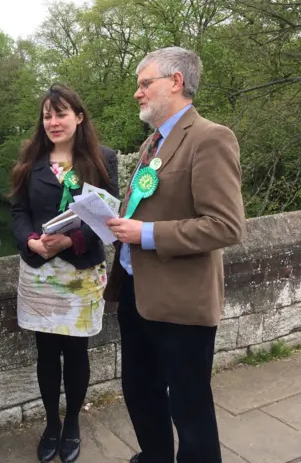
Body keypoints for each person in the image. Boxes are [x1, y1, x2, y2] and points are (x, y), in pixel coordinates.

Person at [104, 47, 245, 463]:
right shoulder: (154, 141)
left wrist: (143, 233)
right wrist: (115, 222)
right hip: (137, 293)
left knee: (190, 408)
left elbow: (226, 225)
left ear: (176, 82)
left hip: (182, 304)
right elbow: (151, 204)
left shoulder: (210, 138)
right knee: (140, 391)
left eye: (145, 83)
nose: (137, 93)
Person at [10, 83, 119, 463]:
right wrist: (31, 242)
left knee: (76, 352)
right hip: (40, 272)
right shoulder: (31, 157)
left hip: (80, 274)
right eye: (47, 115)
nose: (53, 122)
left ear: (79, 117)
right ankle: (51, 423)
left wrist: (71, 242)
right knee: (45, 353)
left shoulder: (102, 159)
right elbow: (18, 212)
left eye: (60, 114)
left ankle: (72, 421)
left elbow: (108, 215)